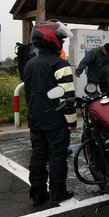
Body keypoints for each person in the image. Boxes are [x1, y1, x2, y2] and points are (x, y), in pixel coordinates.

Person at [23, 20, 77, 207]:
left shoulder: (29, 64)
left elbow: (28, 94)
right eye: (61, 39)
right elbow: (67, 98)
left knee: (38, 155)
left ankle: (38, 194)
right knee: (57, 156)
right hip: (56, 121)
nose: (62, 42)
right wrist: (71, 121)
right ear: (52, 40)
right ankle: (58, 192)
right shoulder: (60, 64)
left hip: (36, 119)